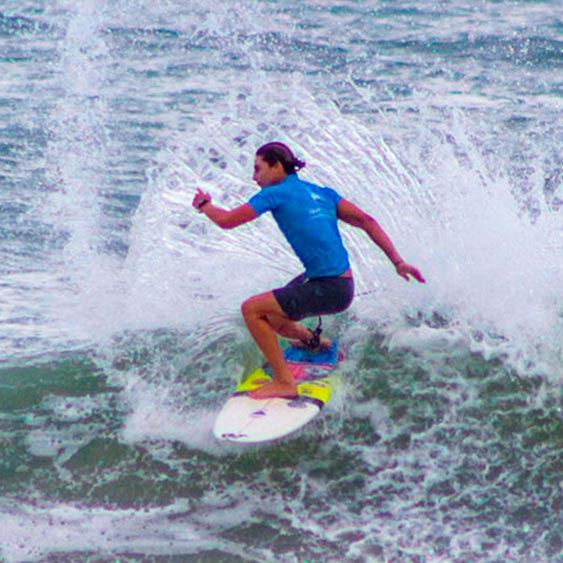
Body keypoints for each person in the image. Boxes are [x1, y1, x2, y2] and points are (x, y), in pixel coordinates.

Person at [191, 142, 425, 400]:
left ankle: (284, 382)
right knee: (274, 317)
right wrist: (397, 261)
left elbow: (227, 221)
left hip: (327, 287)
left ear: (277, 165)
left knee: (252, 309)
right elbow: (366, 220)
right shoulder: (322, 193)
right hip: (340, 284)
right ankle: (314, 343)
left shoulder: (274, 193)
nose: (254, 177)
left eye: (258, 169)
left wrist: (204, 205)